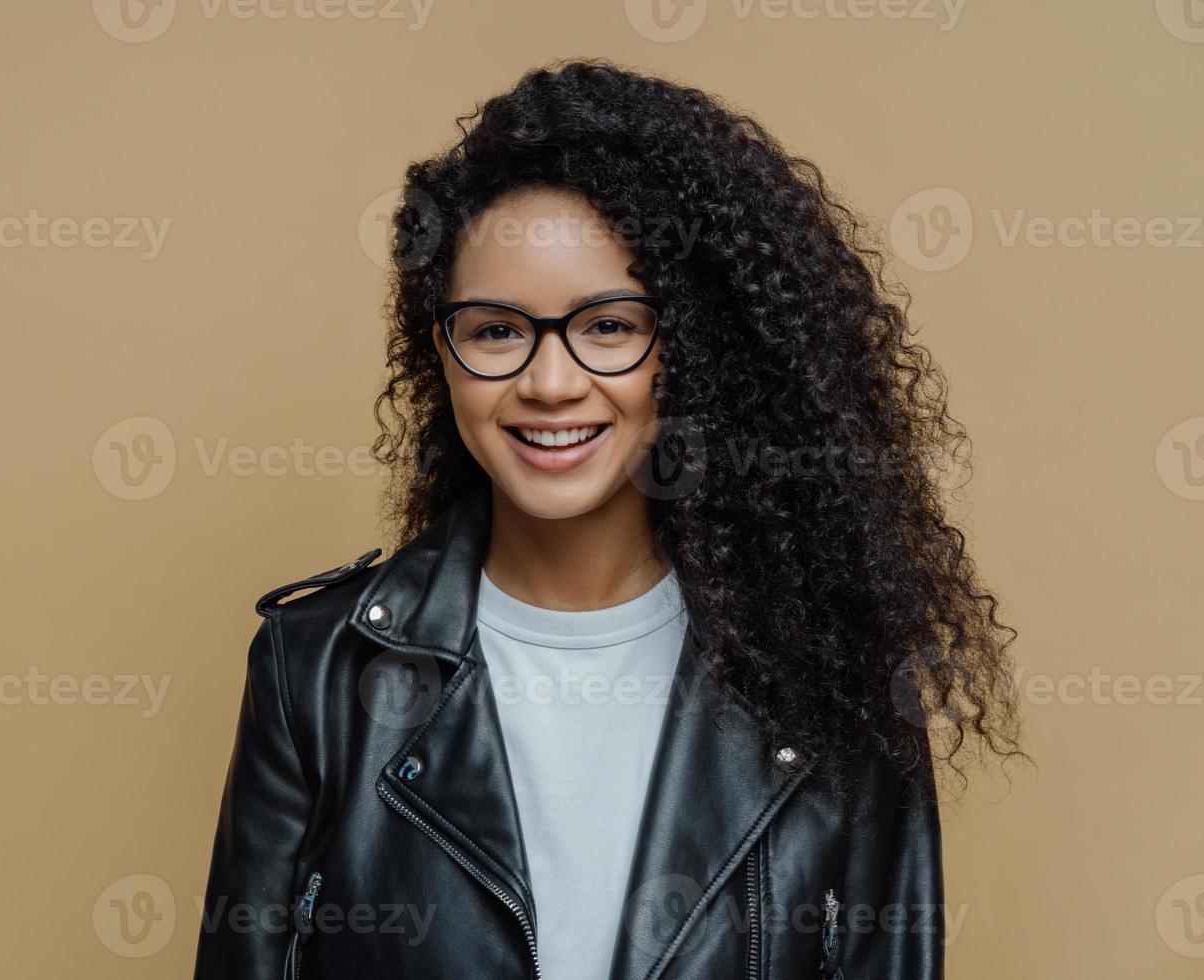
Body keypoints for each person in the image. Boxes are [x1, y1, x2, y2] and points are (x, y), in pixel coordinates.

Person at [194, 58, 1026, 980]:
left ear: (693, 348)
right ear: (443, 351)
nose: (551, 384)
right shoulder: (312, 669)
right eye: (497, 329)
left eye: (609, 325)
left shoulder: (832, 677)